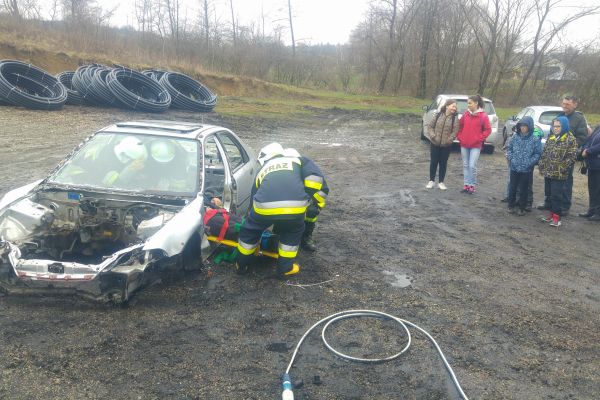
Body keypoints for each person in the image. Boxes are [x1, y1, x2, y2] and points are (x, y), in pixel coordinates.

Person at [236, 143, 329, 277]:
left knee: (250, 232)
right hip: (294, 208)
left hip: (263, 209)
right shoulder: (299, 160)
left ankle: (241, 265)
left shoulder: (263, 169)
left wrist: (250, 219)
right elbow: (315, 179)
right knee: (292, 231)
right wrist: (307, 196)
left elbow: (254, 194)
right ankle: (285, 269)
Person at [538, 95, 589, 213]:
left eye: (568, 104)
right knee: (549, 179)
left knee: (566, 181)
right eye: (563, 103)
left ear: (575, 104)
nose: (564, 106)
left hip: (566, 156)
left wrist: (569, 147)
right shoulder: (559, 117)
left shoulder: (579, 119)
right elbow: (552, 134)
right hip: (552, 156)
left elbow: (582, 137)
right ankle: (549, 202)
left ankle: (564, 206)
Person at [537, 117, 578, 227]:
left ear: (564, 126)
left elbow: (572, 156)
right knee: (549, 194)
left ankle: (557, 218)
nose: (556, 128)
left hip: (559, 174)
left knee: (557, 195)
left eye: (558, 126)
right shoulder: (551, 137)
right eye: (554, 126)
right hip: (548, 172)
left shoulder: (570, 139)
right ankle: (551, 214)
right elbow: (545, 152)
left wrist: (562, 167)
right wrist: (542, 164)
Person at [506, 116, 542, 215]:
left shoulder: (534, 139)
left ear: (529, 127)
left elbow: (537, 154)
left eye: (525, 126)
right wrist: (511, 159)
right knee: (512, 187)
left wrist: (530, 163)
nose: (523, 128)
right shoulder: (515, 137)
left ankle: (522, 208)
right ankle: (511, 205)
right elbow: (509, 149)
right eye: (521, 125)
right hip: (514, 167)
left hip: (527, 169)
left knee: (524, 189)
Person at [456, 94, 491, 194]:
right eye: (468, 103)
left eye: (470, 103)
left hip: (476, 145)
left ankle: (472, 185)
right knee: (466, 165)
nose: (468, 105)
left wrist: (478, 139)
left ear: (476, 103)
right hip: (464, 144)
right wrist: (460, 137)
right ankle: (466, 185)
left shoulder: (483, 116)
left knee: (472, 165)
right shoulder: (466, 114)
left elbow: (487, 130)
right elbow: (459, 126)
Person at [425, 99, 459, 190]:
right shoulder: (438, 115)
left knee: (443, 163)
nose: (454, 108)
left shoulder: (454, 118)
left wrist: (450, 139)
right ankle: (431, 181)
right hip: (435, 143)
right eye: (453, 106)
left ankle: (441, 182)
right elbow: (430, 127)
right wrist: (432, 136)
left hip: (446, 145)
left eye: (455, 107)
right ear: (447, 106)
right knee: (433, 162)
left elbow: (455, 131)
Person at [578, 125, 600, 221]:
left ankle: (598, 213)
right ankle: (591, 210)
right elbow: (589, 139)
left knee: (598, 190)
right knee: (592, 188)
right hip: (592, 164)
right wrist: (585, 149)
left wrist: (588, 151)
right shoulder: (598, 127)